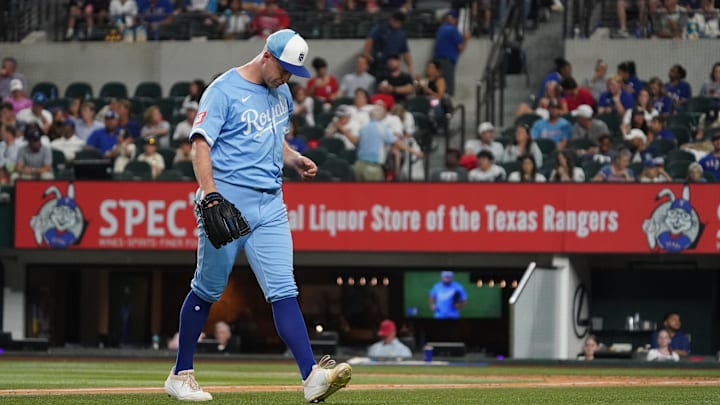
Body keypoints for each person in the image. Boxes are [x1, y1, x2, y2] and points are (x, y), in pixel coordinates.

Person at [163, 29, 351, 403]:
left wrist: (293, 157)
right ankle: (180, 374)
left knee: (284, 289)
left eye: (290, 73)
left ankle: (311, 375)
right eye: (282, 69)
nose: (286, 78)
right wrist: (210, 193)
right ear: (267, 55)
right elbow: (201, 145)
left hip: (271, 205)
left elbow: (273, 136)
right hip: (227, 204)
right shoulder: (223, 90)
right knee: (207, 288)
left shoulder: (281, 92)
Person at [353, 104, 422, 181]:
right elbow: (397, 143)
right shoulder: (382, 128)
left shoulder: (363, 127)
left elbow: (356, 141)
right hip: (372, 167)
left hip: (358, 166)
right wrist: (414, 152)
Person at [363, 11, 413, 78]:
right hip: (377, 64)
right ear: (392, 19)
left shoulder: (401, 34)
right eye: (395, 20)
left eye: (398, 22)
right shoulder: (380, 28)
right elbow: (370, 40)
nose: (396, 23)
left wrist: (410, 66)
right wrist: (367, 54)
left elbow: (405, 52)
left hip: (392, 67)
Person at [433, 10, 471, 97]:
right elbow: (461, 48)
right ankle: (446, 109)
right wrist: (465, 39)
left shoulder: (441, 28)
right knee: (448, 90)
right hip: (446, 62)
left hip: (436, 62)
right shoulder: (453, 30)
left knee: (438, 87)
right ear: (455, 20)